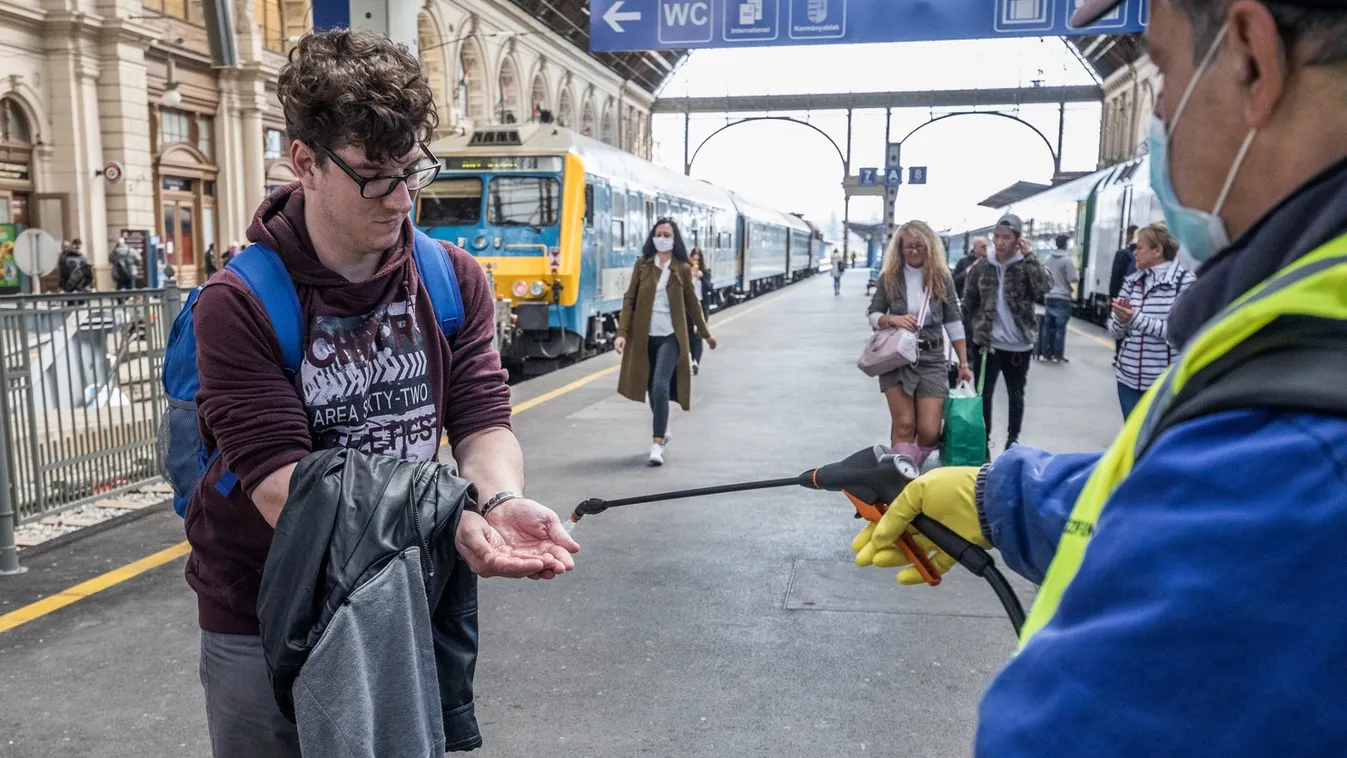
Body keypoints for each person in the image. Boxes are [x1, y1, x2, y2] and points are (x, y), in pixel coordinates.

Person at [852, 0, 1347, 753]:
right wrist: (1002, 500)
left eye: (1161, 71)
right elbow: (1193, 504)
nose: (1159, 110)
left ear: (1248, 56)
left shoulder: (1297, 446)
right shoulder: (1298, 325)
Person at [184, 30, 580, 758]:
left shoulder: (450, 278)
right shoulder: (238, 301)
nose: (402, 199)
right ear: (304, 161)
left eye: (413, 171)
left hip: (398, 590)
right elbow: (279, 485)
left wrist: (495, 502)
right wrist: (442, 519)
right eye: (374, 176)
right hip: (260, 605)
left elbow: (482, 420)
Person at [867, 220, 973, 467]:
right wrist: (892, 319)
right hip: (896, 358)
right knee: (904, 424)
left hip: (932, 358)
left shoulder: (941, 277)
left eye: (919, 246)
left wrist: (964, 363)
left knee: (929, 431)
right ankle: (900, 478)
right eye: (907, 247)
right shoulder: (889, 277)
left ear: (929, 248)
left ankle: (906, 464)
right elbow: (873, 314)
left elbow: (954, 322)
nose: (913, 251)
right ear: (899, 249)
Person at [614, 219, 717, 466]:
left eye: (667, 234)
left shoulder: (681, 268)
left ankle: (657, 443)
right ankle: (664, 423)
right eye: (658, 234)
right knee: (651, 389)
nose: (662, 237)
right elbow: (630, 300)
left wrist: (705, 334)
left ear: (674, 238)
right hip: (644, 337)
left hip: (671, 338)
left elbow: (693, 304)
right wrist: (622, 333)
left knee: (660, 386)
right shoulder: (643, 265)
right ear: (653, 237)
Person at [960, 214, 1052, 452]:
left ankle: (1013, 441)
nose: (1000, 242)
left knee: (1016, 394)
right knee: (984, 396)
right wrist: (967, 340)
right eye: (997, 237)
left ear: (1018, 240)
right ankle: (984, 442)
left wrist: (1030, 257)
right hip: (987, 345)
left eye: (1007, 238)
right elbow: (967, 304)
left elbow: (1045, 287)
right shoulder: (981, 267)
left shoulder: (1026, 266)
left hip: (1019, 345)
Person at [1109, 223, 1195, 418]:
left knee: (1155, 441)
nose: (1134, 252)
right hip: (1127, 380)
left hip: (1163, 383)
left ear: (1157, 250)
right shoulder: (1132, 281)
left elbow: (1178, 331)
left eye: (1140, 246)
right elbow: (1115, 331)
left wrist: (1135, 318)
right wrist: (1121, 320)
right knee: (1133, 441)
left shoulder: (1184, 283)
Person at [1038, 233, 1079, 363]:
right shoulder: (1067, 260)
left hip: (1049, 296)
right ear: (1065, 244)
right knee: (1060, 329)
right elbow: (1073, 278)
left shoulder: (1047, 259)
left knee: (1047, 327)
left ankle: (1045, 354)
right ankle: (1057, 356)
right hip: (1063, 297)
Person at [688, 248, 711, 373]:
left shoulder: (706, 272)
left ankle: (696, 361)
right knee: (690, 335)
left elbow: (710, 288)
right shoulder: (686, 272)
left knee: (699, 335)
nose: (695, 262)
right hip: (689, 307)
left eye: (698, 260)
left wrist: (701, 277)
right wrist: (692, 275)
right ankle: (693, 361)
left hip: (702, 306)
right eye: (693, 259)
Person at [1108, 224, 1139, 300]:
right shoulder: (1145, 254)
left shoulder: (1121, 254)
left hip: (1122, 297)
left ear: (1129, 235)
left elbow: (1115, 277)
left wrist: (1113, 296)